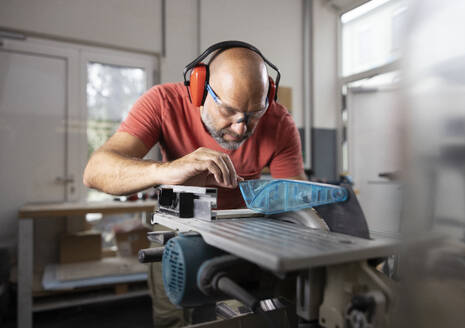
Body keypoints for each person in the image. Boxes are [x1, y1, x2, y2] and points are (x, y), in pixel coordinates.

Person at [83, 41, 305, 327]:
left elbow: (297, 205)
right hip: (180, 210)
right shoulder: (163, 102)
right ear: (200, 89)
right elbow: (95, 171)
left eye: (254, 115)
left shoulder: (279, 122)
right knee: (171, 315)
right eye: (229, 111)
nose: (240, 128)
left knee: (246, 316)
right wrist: (168, 171)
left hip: (245, 225)